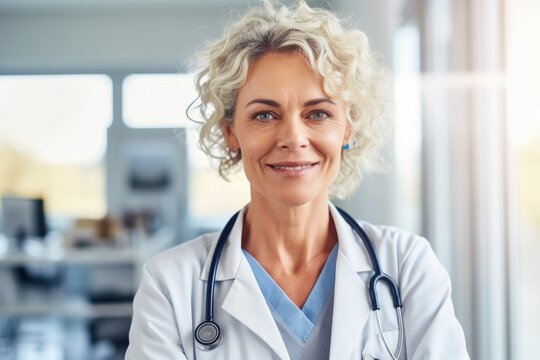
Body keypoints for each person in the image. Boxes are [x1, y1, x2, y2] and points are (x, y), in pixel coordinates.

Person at [126, 1, 470, 359]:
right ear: (231, 132)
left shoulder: (407, 265)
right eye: (264, 115)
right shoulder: (169, 286)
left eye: (318, 113)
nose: (293, 137)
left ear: (347, 129)